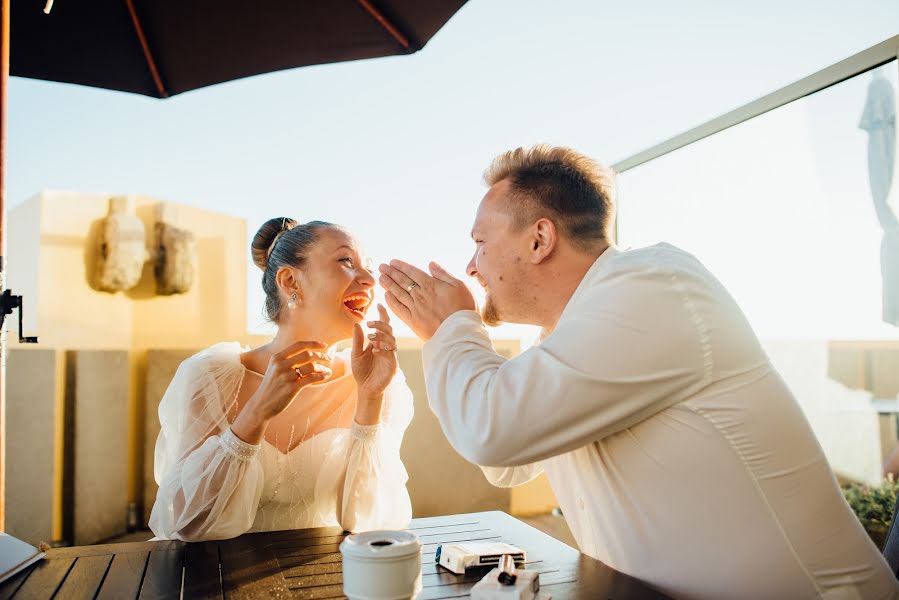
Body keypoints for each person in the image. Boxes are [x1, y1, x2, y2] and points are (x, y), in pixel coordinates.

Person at [377, 145, 899, 599]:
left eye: (481, 243)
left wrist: (453, 328)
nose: (471, 266)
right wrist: (455, 335)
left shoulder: (652, 289)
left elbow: (494, 432)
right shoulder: (574, 330)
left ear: (539, 240)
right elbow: (509, 463)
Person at [150, 218, 412, 541]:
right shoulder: (210, 378)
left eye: (368, 267)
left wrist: (370, 397)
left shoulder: (373, 382)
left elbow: (367, 523)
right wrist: (256, 412)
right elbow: (187, 521)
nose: (370, 279)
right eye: (347, 261)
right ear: (290, 281)